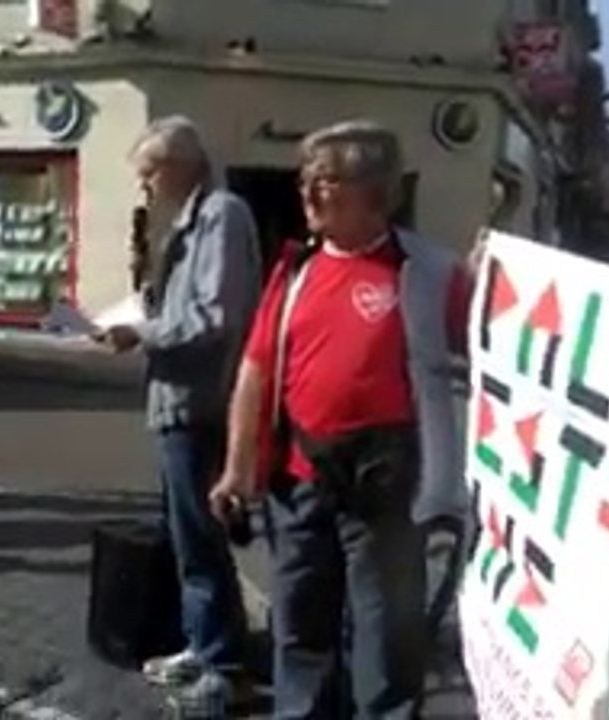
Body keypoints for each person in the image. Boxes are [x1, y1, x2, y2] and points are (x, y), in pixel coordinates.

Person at [209, 120, 472, 718]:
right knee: (300, 634)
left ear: (376, 190)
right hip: (298, 486)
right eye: (306, 179)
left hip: (387, 493)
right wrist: (236, 469)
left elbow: (498, 344)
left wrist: (497, 284)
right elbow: (255, 371)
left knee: (386, 640)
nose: (307, 192)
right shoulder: (295, 270)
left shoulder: (428, 271)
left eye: (326, 180)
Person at [95, 115, 262, 708]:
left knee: (200, 536)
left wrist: (140, 331)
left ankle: (222, 661)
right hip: (176, 401)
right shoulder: (190, 224)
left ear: (176, 166)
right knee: (184, 531)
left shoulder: (220, 215)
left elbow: (214, 316)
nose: (145, 188)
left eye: (147, 175)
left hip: (199, 403)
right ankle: (201, 641)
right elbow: (187, 305)